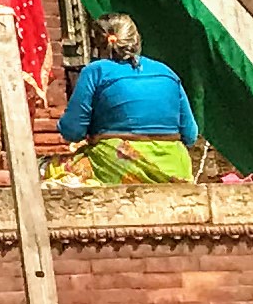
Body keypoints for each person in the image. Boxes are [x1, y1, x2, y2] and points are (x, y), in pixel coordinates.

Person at [51, 14, 202, 183]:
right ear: (137, 40)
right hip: (174, 169)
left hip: (115, 164)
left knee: (49, 170)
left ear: (98, 43)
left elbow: (72, 131)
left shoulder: (95, 71)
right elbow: (190, 134)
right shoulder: (167, 73)